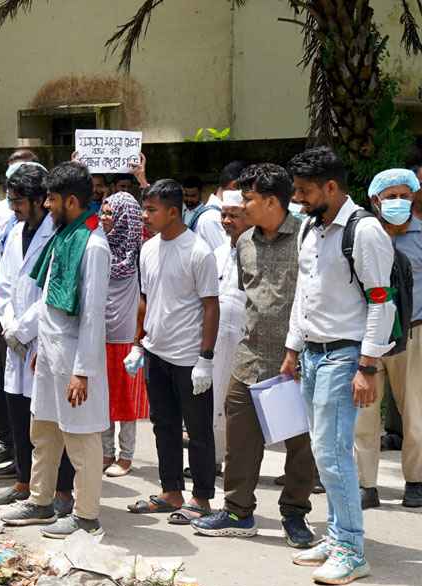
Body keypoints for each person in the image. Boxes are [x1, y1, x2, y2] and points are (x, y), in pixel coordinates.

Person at [283, 147, 396, 584]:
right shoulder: (310, 229)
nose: (298, 198)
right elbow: (303, 292)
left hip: (346, 355)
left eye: (305, 190)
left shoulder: (364, 231)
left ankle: (351, 548)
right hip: (312, 353)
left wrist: (367, 365)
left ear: (331, 187)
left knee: (332, 453)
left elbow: (380, 300)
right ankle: (335, 536)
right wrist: (294, 348)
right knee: (322, 450)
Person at [190, 163, 319, 547]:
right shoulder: (244, 242)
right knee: (241, 436)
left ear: (271, 201)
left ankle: (295, 514)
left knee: (299, 443)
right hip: (248, 358)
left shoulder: (306, 237)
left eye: (248, 199)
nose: (242, 207)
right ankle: (238, 511)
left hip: (293, 361)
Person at [0, 161, 110, 538]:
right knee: (43, 430)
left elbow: (92, 315)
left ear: (71, 201)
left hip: (76, 358)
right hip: (49, 353)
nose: (46, 205)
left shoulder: (92, 245)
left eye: (53, 199)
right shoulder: (64, 236)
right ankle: (40, 502)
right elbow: (48, 300)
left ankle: (86, 516)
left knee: (81, 437)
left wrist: (83, 371)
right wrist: (38, 341)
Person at [126, 179, 220, 524]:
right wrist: (138, 343)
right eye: (144, 209)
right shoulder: (148, 249)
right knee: (162, 425)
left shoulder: (198, 251)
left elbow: (211, 306)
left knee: (197, 429)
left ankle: (201, 498)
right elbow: (145, 300)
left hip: (189, 357)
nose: (145, 216)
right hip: (156, 352)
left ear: (173, 211)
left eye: (151, 210)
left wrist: (205, 359)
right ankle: (171, 491)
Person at [0, 163, 77, 513]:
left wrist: (24, 329)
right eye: (11, 200)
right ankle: (24, 483)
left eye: (19, 200)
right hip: (13, 338)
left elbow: (51, 295)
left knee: (53, 421)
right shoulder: (13, 234)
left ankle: (61, 492)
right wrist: (9, 324)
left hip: (44, 339)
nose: (14, 207)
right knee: (19, 412)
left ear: (42, 200)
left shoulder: (60, 237)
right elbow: (5, 285)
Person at [353, 167, 422, 509]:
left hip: (414, 331)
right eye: (391, 197)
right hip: (368, 334)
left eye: (404, 196)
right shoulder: (363, 234)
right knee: (365, 411)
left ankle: (416, 480)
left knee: (415, 410)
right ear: (375, 199)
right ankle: (366, 484)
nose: (398, 202)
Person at [99, 191, 148, 478]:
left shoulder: (140, 251)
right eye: (103, 213)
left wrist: (139, 339)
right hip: (100, 333)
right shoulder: (99, 245)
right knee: (103, 397)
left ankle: (126, 455)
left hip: (128, 337)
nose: (104, 219)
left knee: (126, 400)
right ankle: (106, 451)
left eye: (110, 214)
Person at [208, 190, 252, 473]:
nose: (226, 221)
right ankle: (214, 459)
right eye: (224, 215)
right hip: (217, 335)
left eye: (233, 215)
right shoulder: (219, 252)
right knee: (215, 396)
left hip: (246, 336)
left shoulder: (258, 250)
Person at [189, 161, 245, 250]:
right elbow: (230, 255)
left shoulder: (214, 214)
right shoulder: (212, 218)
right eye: (247, 189)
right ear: (234, 185)